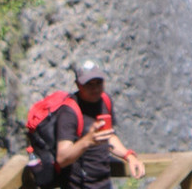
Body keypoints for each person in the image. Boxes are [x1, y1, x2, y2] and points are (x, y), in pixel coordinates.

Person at [55, 59, 145, 189]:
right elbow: (62, 159)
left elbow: (109, 136)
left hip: (104, 184)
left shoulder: (105, 101)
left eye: (99, 83)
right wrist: (88, 140)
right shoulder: (69, 112)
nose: (95, 88)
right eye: (89, 84)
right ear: (78, 85)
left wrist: (128, 156)